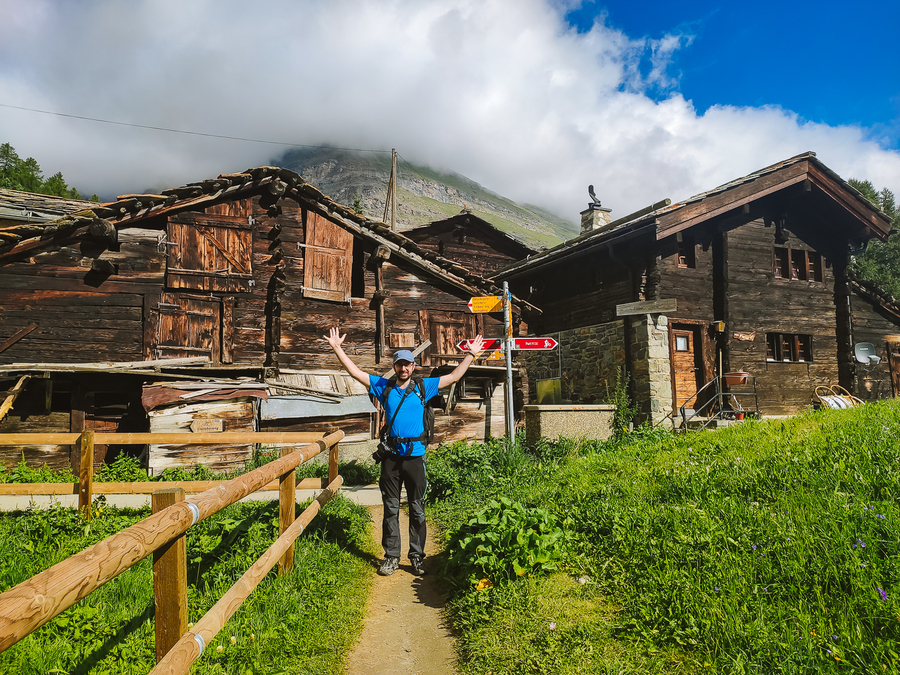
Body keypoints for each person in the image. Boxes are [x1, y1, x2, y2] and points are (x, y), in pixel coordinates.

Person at [325, 327, 485, 576]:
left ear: (413, 366)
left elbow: (454, 377)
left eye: (407, 364)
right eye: (399, 364)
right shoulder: (384, 387)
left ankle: (417, 556)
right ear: (395, 366)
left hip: (415, 456)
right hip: (391, 458)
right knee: (390, 508)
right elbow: (355, 373)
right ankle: (391, 557)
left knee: (417, 508)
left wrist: (471, 355)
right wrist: (337, 349)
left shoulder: (423, 387)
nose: (403, 368)